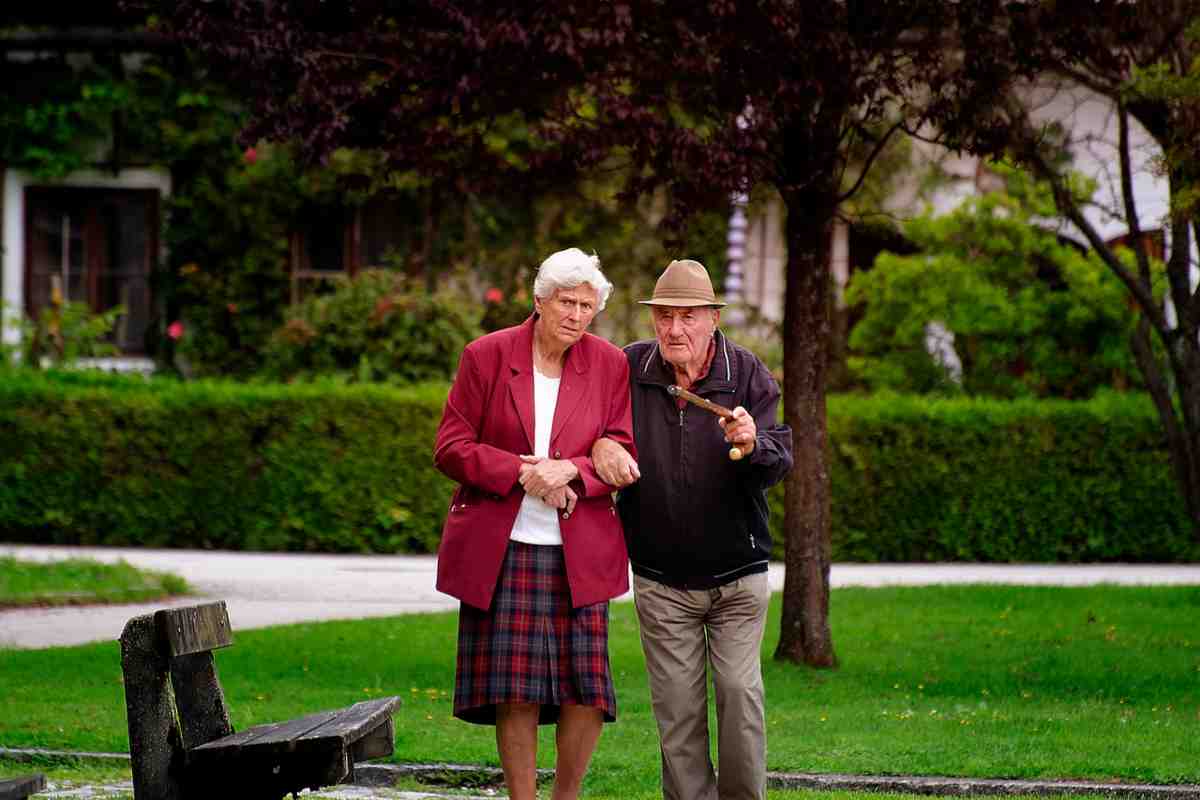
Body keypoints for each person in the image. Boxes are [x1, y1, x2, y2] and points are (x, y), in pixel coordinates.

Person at [433, 247, 636, 800]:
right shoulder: (486, 355)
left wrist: (573, 468)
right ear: (540, 300)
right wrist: (524, 471)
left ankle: (564, 799)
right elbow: (451, 448)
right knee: (515, 690)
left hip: (581, 547)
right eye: (567, 302)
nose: (576, 315)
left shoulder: (610, 363)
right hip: (504, 546)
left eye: (587, 305)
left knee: (586, 690)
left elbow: (620, 449)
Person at [592, 258, 793, 800]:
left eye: (687, 317)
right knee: (678, 715)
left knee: (737, 694)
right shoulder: (629, 368)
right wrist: (601, 444)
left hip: (737, 576)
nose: (674, 329)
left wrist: (754, 444)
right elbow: (588, 421)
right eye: (664, 317)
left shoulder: (747, 373)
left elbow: (780, 459)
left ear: (711, 318)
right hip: (662, 579)